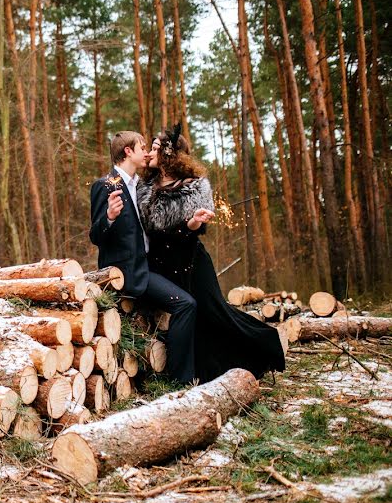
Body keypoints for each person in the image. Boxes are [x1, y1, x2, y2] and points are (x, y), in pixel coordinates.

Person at [137, 125, 285, 382]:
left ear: (170, 154)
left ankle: (264, 347)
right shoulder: (145, 186)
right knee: (188, 314)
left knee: (213, 312)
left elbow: (194, 230)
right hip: (161, 265)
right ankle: (195, 372)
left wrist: (192, 224)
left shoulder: (195, 187)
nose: (150, 152)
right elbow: (149, 229)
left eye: (155, 148)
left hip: (190, 262)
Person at [89, 131, 198, 383]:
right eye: (142, 146)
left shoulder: (141, 185)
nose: (147, 151)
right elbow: (96, 235)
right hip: (127, 273)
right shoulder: (105, 185)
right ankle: (181, 380)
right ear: (128, 151)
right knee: (186, 304)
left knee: (189, 300)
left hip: (151, 266)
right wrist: (109, 218)